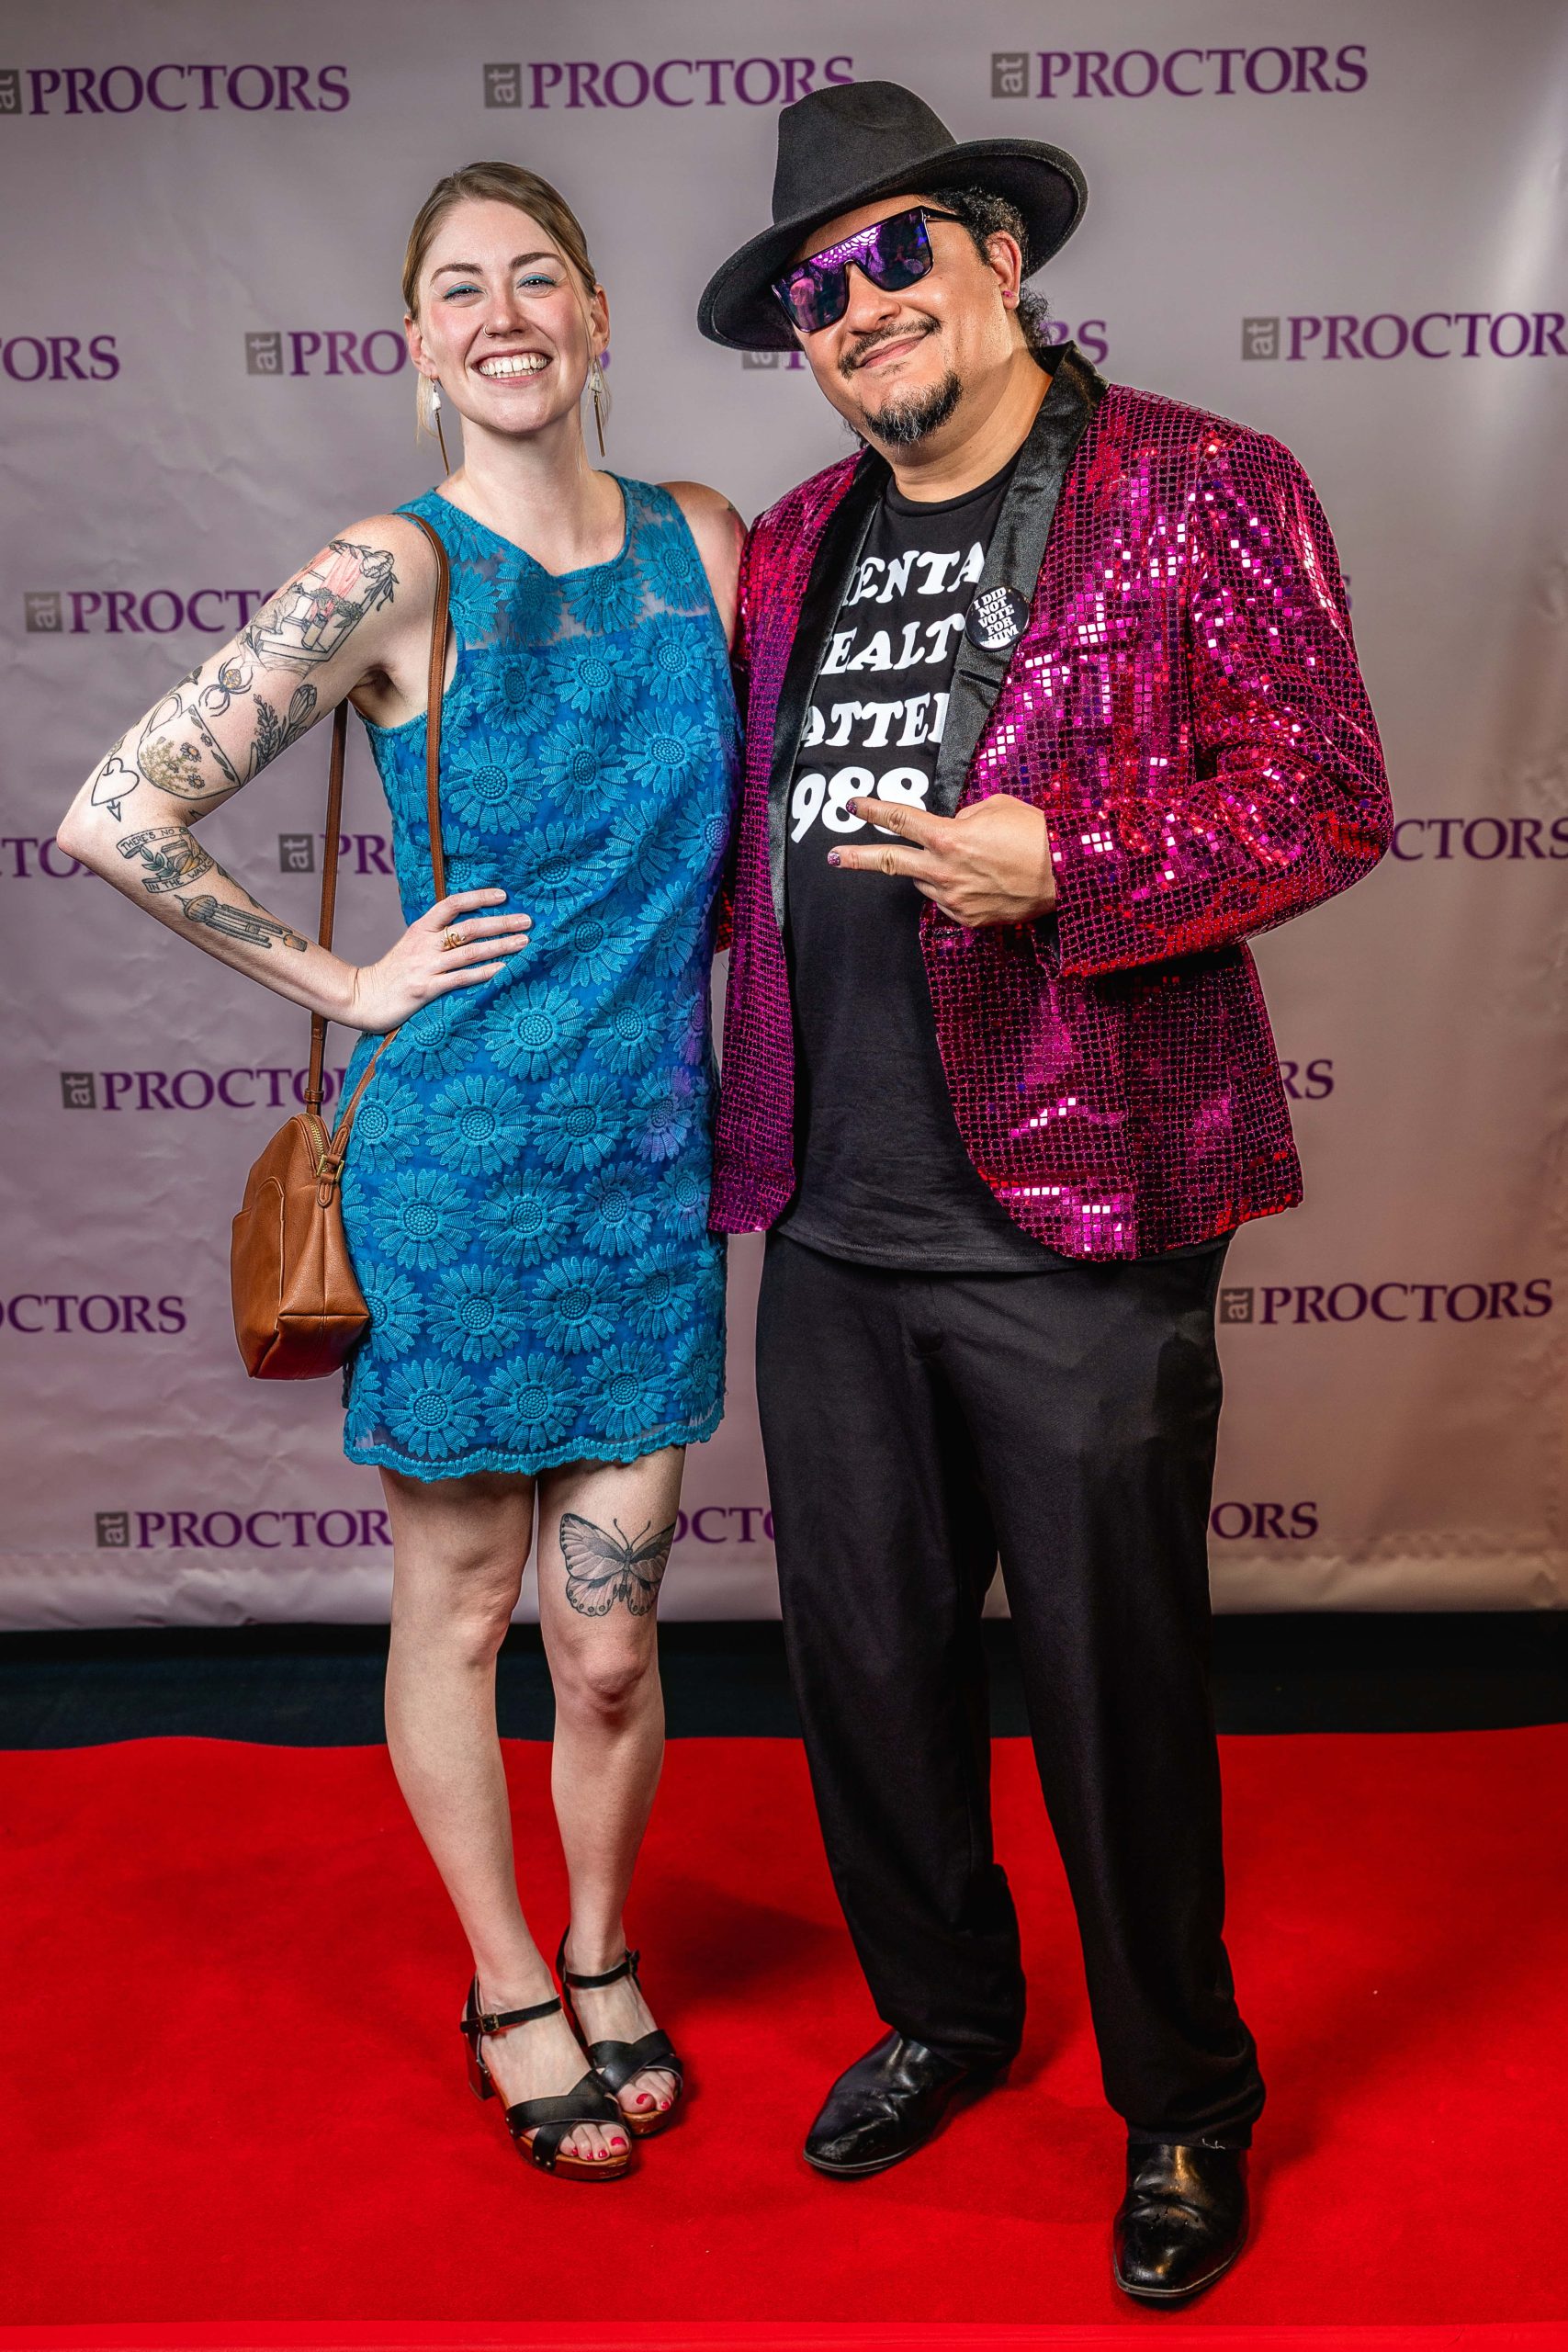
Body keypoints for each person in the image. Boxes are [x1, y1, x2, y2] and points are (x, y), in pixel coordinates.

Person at [699, 82, 1390, 2299]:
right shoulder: (790, 542)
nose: (856, 306)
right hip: (828, 1210)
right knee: (866, 1669)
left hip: (1080, 1207)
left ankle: (1183, 2099)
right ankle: (943, 2010)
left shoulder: (1197, 483)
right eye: (814, 288)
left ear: (998, 257)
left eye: (894, 252)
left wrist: (1070, 862)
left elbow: (1325, 793)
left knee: (1111, 1687)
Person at [60, 161, 743, 2184]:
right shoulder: (393, 566)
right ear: (417, 346)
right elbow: (119, 806)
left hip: (649, 1168)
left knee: (609, 1640)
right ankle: (511, 1981)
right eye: (460, 288)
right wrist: (346, 981)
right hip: (455, 1170)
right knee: (461, 1604)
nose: (502, 313)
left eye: (538, 277)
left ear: (598, 318)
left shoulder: (706, 542)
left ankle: (605, 1946)